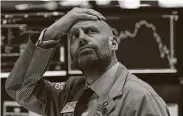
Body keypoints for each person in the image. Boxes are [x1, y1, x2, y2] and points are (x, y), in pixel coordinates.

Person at [5, 7, 170, 116]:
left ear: (113, 43)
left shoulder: (140, 99)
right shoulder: (69, 92)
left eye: (91, 31)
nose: (81, 38)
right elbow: (20, 89)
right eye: (74, 36)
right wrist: (52, 33)